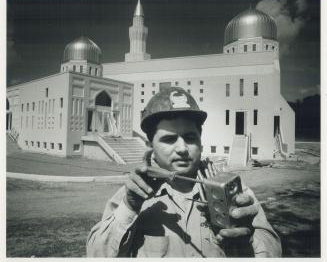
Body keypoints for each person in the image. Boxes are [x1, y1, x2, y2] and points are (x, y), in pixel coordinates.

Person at [86, 87, 282, 257]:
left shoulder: (233, 191)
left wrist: (247, 243)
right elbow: (97, 254)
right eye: (169, 139)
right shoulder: (134, 195)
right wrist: (130, 207)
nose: (182, 148)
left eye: (189, 137)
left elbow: (272, 249)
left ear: (200, 139)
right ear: (150, 144)